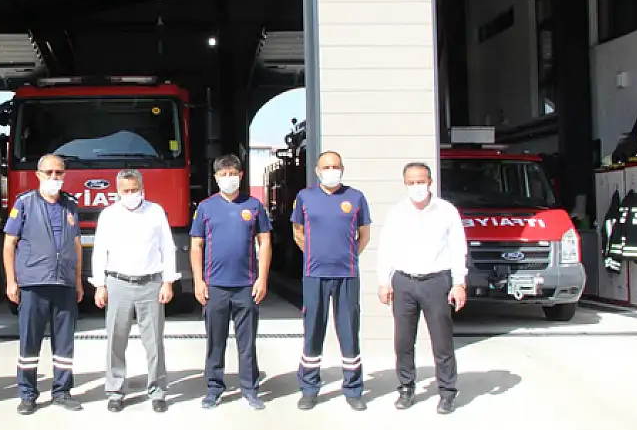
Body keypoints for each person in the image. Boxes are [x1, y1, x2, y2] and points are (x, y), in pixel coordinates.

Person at [376, 161, 468, 415]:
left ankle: (447, 391)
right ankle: (406, 387)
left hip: (436, 281)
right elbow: (387, 247)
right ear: (405, 184)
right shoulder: (397, 212)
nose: (417, 186)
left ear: (430, 182)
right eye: (411, 182)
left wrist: (459, 283)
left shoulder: (446, 211)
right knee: (403, 340)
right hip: (404, 281)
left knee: (442, 340)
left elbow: (458, 248)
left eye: (421, 181)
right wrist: (384, 281)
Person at [91, 169, 179, 414]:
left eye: (134, 190)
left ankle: (158, 391)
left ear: (142, 188)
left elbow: (167, 248)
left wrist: (168, 282)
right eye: (125, 190)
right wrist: (99, 285)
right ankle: (115, 391)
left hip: (150, 283)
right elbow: (99, 251)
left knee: (154, 342)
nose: (130, 194)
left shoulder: (155, 211)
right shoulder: (108, 215)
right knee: (115, 341)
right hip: (117, 283)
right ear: (117, 191)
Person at [3, 153, 85, 415]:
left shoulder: (70, 204)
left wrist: (79, 280)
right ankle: (28, 394)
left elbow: (76, 245)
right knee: (30, 342)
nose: (54, 177)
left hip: (64, 282)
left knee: (64, 343)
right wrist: (11, 282)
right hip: (33, 283)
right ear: (38, 175)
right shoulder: (24, 203)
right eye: (48, 173)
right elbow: (8, 244)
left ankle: (62, 391)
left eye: (59, 173)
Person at [190, 153, 273, 410]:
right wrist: (198, 281)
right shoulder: (206, 207)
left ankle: (250, 388)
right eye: (223, 174)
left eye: (232, 174)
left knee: (247, 341)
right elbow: (196, 245)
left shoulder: (254, 206)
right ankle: (214, 388)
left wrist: (262, 279)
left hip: (246, 285)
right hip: (215, 286)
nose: (228, 178)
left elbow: (265, 242)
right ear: (215, 178)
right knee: (216, 340)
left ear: (241, 176)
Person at [291, 151, 372, 411]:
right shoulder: (305, 197)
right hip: (314, 274)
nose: (331, 170)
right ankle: (309, 387)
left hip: (347, 274)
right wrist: (317, 255)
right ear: (317, 171)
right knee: (313, 329)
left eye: (336, 166)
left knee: (348, 331)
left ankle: (353, 389)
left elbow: (364, 235)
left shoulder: (356, 197)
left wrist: (346, 256)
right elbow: (298, 233)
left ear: (343, 169)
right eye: (326, 166)